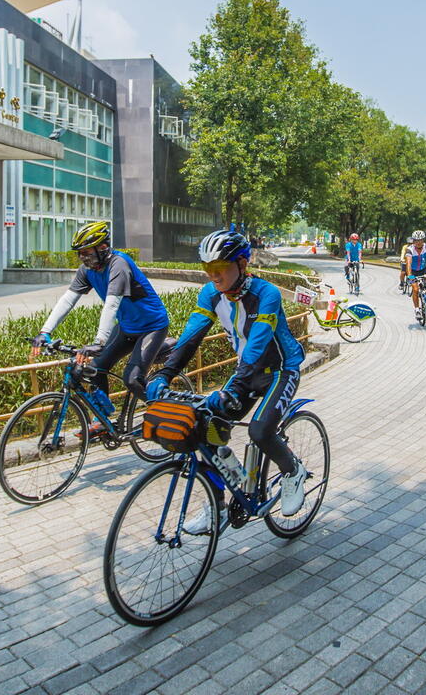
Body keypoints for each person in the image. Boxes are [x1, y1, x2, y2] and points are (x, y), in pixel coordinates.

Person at [146, 229, 309, 532]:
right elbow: (191, 338)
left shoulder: (266, 295)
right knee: (206, 428)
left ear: (243, 264)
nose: (214, 276)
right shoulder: (210, 294)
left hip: (280, 370)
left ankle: (293, 471)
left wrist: (232, 387)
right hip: (246, 372)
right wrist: (165, 373)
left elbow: (258, 344)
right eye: (208, 269)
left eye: (220, 268)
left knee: (261, 431)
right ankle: (218, 506)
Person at [33, 221, 169, 439]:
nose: (83, 258)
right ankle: (103, 421)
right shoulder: (87, 271)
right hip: (127, 327)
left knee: (133, 379)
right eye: (80, 254)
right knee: (95, 368)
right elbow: (68, 300)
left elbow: (112, 304)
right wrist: (45, 331)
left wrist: (99, 341)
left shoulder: (120, 264)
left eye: (87, 253)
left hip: (152, 327)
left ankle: (167, 414)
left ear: (103, 247)